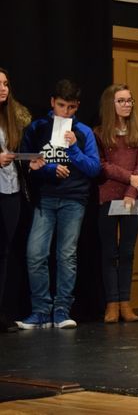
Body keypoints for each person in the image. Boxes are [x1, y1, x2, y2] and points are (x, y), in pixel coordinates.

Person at [17, 79, 100, 329]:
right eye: (62, 105)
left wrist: (73, 148)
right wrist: (48, 169)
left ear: (77, 106)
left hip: (74, 199)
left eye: (71, 107)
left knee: (66, 255)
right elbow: (24, 159)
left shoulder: (83, 131)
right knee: (35, 253)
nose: (65, 112)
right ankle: (41, 310)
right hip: (45, 198)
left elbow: (94, 168)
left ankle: (62, 309)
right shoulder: (38, 127)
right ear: (53, 102)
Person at [94, 84, 138, 323]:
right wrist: (129, 179)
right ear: (110, 104)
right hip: (108, 197)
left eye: (129, 100)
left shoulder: (137, 133)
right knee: (109, 252)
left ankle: (125, 302)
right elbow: (102, 165)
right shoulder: (99, 133)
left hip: (132, 198)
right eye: (121, 101)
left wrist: (132, 190)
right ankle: (112, 303)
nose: (127, 104)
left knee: (127, 252)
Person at [0, 68, 32, 333]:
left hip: (10, 191)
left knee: (4, 253)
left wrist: (29, 162)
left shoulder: (12, 117)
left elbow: (17, 152)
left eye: (6, 84)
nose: (3, 88)